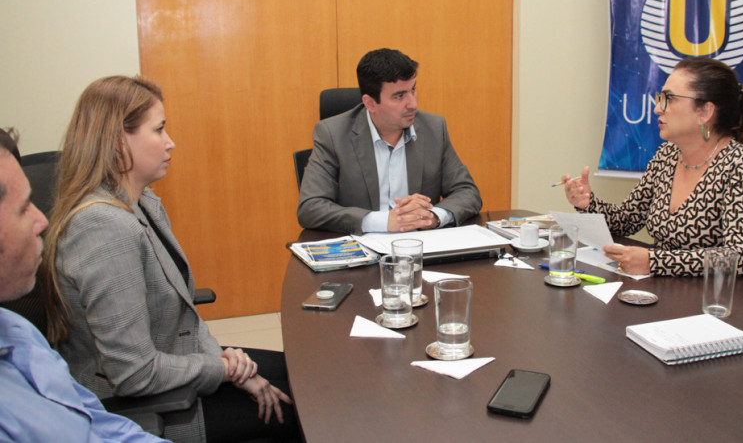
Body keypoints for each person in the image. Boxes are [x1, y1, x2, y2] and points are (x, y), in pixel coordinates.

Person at [40, 77, 301, 443]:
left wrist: (235, 368)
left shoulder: (142, 202)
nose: (170, 141)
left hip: (178, 364)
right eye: (159, 129)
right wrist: (223, 369)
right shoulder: (102, 227)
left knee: (306, 377)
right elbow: (133, 374)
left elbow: (185, 320)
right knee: (305, 411)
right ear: (118, 141)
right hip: (146, 405)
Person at [0, 128, 167, 442]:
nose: (43, 221)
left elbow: (99, 423)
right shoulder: (102, 226)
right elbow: (134, 372)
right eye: (23, 208)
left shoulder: (17, 332)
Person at [561, 57, 743, 277]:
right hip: (663, 289)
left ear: (705, 112)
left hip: (717, 300)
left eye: (669, 99)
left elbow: (740, 258)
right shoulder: (667, 155)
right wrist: (588, 203)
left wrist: (654, 261)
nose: (658, 108)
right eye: (660, 98)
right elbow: (627, 221)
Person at [297, 48, 482, 234]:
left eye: (413, 90)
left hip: (420, 249)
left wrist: (433, 216)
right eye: (399, 96)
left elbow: (467, 192)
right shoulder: (332, 134)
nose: (412, 104)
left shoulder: (433, 128)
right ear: (369, 103)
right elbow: (310, 208)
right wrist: (384, 221)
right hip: (362, 253)